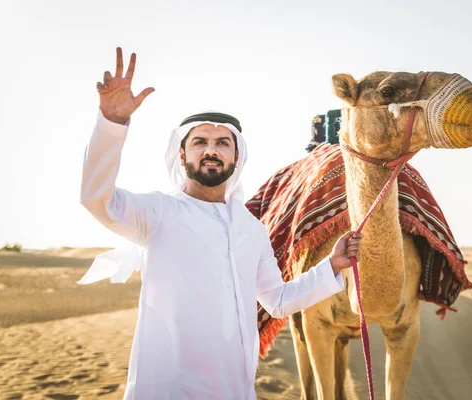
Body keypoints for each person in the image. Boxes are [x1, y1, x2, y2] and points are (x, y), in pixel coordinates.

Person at [78, 47, 363, 400]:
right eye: (199, 142)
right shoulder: (158, 213)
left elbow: (277, 300)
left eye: (222, 143)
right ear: (182, 155)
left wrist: (331, 266)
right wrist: (111, 124)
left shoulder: (251, 229)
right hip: (167, 390)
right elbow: (97, 199)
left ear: (236, 156)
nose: (211, 150)